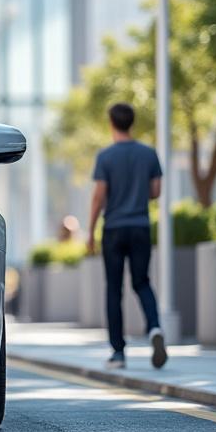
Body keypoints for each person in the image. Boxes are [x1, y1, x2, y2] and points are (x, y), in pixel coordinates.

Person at [87, 103, 168, 370]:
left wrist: (90, 231)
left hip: (114, 229)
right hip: (140, 226)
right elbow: (156, 191)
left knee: (114, 289)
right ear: (131, 123)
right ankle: (154, 327)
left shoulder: (106, 156)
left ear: (112, 123)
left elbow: (99, 196)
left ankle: (118, 353)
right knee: (142, 282)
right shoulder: (148, 153)